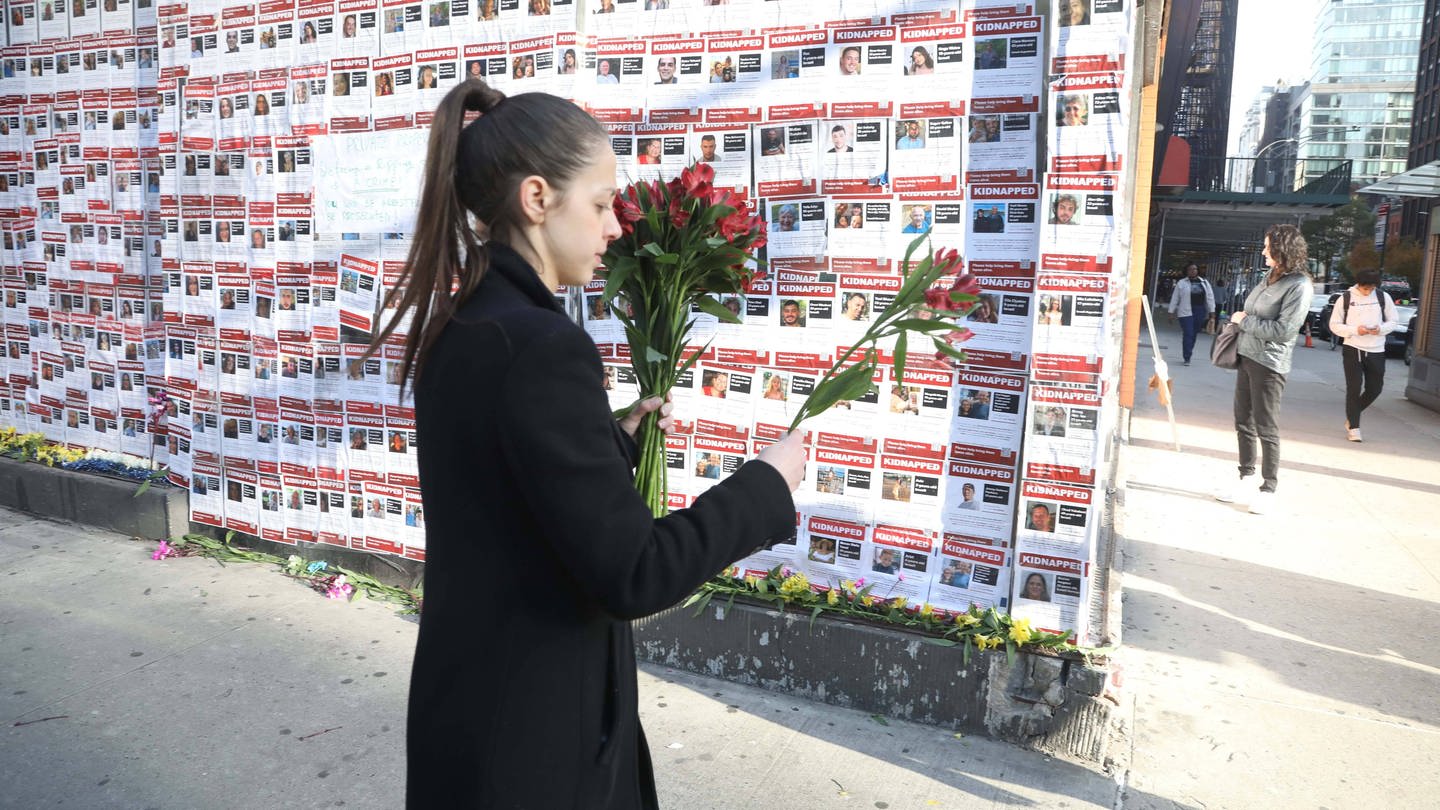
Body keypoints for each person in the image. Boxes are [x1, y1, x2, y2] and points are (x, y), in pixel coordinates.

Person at [351, 78, 804, 808]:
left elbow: (503, 486)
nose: (616, 229)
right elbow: (634, 574)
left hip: (469, 713)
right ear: (537, 199)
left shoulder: (464, 323)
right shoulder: (542, 346)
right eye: (598, 205)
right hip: (538, 742)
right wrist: (766, 486)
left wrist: (608, 444)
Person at [1216, 224, 1313, 514]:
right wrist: (1243, 321)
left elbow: (1285, 330)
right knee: (1242, 421)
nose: (1263, 251)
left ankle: (1268, 488)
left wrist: (1243, 321)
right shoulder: (1268, 278)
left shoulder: (1299, 285)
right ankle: (1245, 477)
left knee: (1266, 427)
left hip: (1270, 364)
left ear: (1282, 248)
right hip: (1246, 355)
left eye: (1267, 246)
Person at [1327, 268, 1399, 442]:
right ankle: (1354, 427)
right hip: (1353, 348)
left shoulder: (1383, 297)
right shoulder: (1346, 298)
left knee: (1375, 388)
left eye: (1372, 289)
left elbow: (1393, 321)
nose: (1369, 292)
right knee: (1354, 388)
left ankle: (1352, 415)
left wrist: (1380, 329)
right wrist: (1355, 330)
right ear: (1359, 285)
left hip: (1376, 349)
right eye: (1366, 289)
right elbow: (1334, 325)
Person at [1167, 262, 1215, 366]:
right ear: (1186, 271)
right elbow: (1175, 298)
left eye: (1195, 269)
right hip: (1185, 312)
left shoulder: (1205, 283)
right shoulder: (1181, 283)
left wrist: (1212, 312)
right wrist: (1171, 312)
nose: (1193, 271)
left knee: (1194, 334)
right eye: (1190, 269)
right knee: (1188, 333)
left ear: (1198, 271)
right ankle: (1187, 357)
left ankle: (1188, 352)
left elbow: (1210, 298)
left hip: (1199, 311)